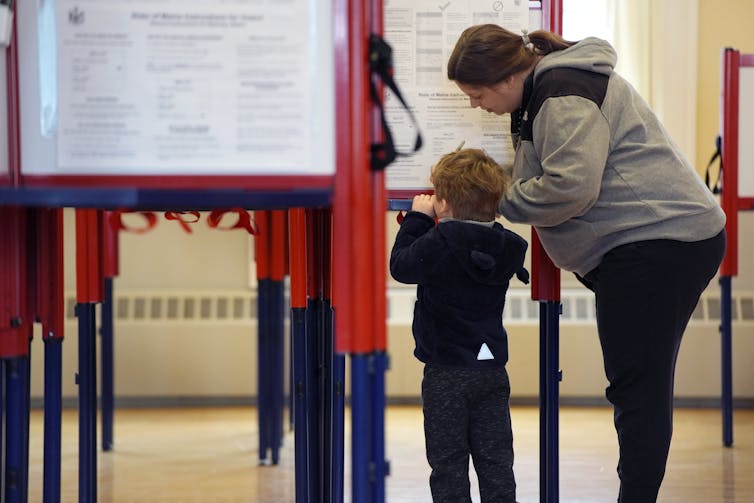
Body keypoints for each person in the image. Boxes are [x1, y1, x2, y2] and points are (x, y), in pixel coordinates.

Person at [447, 24, 727, 503]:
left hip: (658, 243)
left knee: (637, 388)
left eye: (476, 94)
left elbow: (571, 187)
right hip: (654, 243)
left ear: (506, 78)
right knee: (637, 383)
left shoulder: (561, 94)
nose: (476, 105)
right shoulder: (546, 91)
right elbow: (554, 171)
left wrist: (494, 202)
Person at [390, 147, 529, 503]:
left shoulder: (439, 242)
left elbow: (402, 266)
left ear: (445, 203)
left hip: (445, 373)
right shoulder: (507, 246)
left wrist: (418, 219)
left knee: (448, 462)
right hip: (492, 370)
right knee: (496, 458)